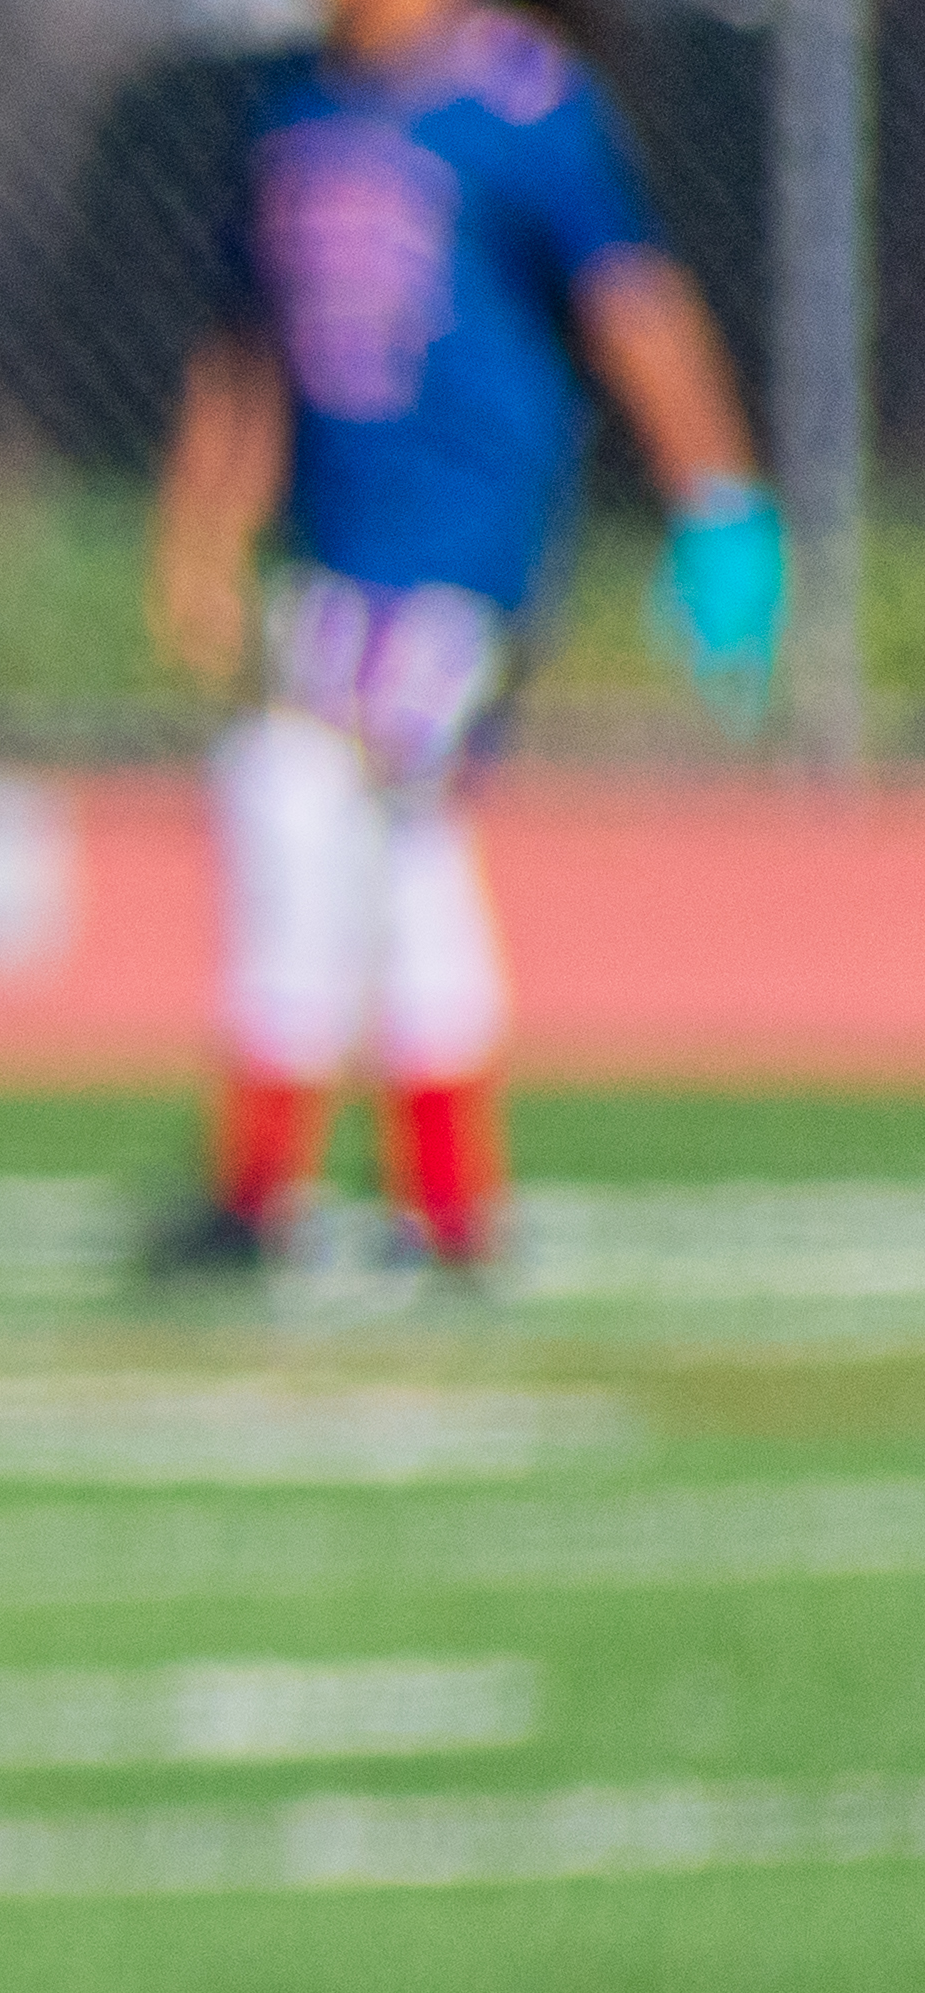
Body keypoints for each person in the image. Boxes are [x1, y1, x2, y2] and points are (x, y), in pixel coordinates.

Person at [145, 0, 781, 1283]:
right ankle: (436, 1205)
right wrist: (204, 533)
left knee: (302, 800)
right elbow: (249, 348)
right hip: (335, 558)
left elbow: (635, 305)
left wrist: (718, 503)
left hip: (463, 555)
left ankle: (272, 1189)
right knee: (389, 848)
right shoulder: (299, 109)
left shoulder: (522, 103)